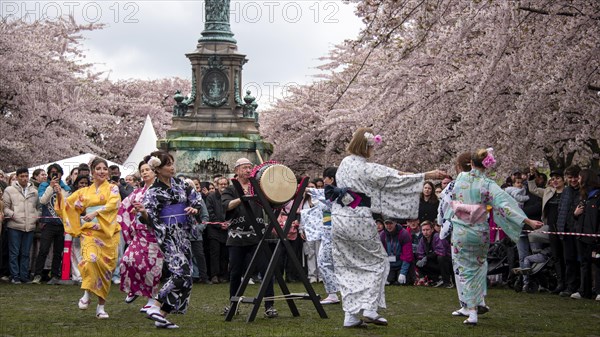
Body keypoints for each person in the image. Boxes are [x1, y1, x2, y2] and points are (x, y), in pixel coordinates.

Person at [330, 127, 445, 328]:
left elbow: (390, 175)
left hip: (339, 218)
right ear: (368, 145)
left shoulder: (344, 163)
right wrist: (427, 174)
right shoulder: (367, 168)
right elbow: (395, 177)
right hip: (358, 219)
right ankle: (369, 309)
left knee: (348, 266)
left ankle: (351, 316)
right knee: (378, 262)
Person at [442, 148, 543, 325]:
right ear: (487, 166)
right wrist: (527, 221)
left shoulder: (459, 179)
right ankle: (478, 302)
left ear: (470, 164)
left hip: (460, 231)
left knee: (464, 269)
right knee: (479, 267)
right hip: (480, 231)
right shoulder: (488, 184)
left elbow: (447, 199)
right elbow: (505, 205)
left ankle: (471, 310)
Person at [141, 151, 203, 329]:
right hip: (168, 236)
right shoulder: (153, 192)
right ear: (158, 169)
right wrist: (144, 213)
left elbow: (195, 198)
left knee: (186, 277)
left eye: (172, 163)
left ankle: (161, 316)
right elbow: (149, 218)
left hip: (183, 233)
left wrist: (194, 208)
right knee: (180, 273)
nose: (172, 167)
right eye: (167, 165)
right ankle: (155, 304)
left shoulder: (181, 184)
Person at [55, 158, 121, 319]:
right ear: (92, 172)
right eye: (98, 168)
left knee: (106, 270)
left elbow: (114, 204)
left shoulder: (113, 188)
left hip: (109, 232)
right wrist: (58, 194)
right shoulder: (84, 192)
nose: (102, 171)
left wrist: (96, 212)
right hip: (90, 232)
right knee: (90, 260)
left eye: (104, 169)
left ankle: (101, 306)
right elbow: (68, 206)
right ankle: (86, 292)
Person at [221, 157, 277, 318]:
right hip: (236, 237)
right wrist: (242, 198)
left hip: (257, 236)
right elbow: (226, 205)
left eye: (249, 167)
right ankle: (234, 304)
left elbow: (272, 201)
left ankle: (269, 305)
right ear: (237, 170)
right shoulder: (231, 189)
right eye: (244, 167)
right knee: (235, 272)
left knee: (266, 270)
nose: (247, 170)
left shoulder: (258, 187)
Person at [117, 159, 163, 313]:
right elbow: (124, 206)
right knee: (128, 260)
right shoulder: (137, 192)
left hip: (155, 234)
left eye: (147, 170)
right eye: (142, 170)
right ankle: (135, 289)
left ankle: (151, 299)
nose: (144, 173)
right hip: (139, 233)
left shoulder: (160, 190)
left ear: (155, 171)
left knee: (152, 268)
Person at [528, 168, 566, 294]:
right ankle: (560, 283)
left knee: (567, 255)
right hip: (551, 227)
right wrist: (532, 178)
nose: (555, 181)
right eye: (553, 178)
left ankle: (570, 283)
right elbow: (533, 189)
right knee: (556, 256)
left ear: (563, 180)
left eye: (558, 178)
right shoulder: (548, 192)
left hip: (565, 228)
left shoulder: (567, 192)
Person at [32, 164, 71, 285]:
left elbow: (66, 204)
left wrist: (60, 191)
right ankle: (38, 274)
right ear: (49, 174)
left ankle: (55, 274)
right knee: (43, 249)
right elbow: (42, 200)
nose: (55, 175)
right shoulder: (44, 186)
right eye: (52, 172)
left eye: (57, 172)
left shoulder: (66, 188)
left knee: (58, 251)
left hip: (60, 224)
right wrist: (50, 187)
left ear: (61, 174)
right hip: (48, 224)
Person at [2, 168, 40, 284]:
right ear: (17, 177)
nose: (24, 178)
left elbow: (38, 207)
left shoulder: (34, 191)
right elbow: (5, 207)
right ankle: (15, 276)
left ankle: (24, 276)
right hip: (14, 225)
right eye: (22, 176)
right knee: (14, 252)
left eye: (26, 176)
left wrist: (36, 216)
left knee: (25, 253)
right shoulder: (9, 190)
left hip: (29, 225)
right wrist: (13, 214)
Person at [571, 169, 600, 300]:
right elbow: (578, 216)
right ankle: (584, 291)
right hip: (581, 235)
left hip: (594, 237)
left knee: (597, 263)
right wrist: (575, 214)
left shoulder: (597, 197)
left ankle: (598, 290)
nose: (578, 180)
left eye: (580, 177)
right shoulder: (583, 196)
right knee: (584, 263)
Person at [557, 165, 581, 297]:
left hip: (579, 230)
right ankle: (570, 286)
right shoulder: (566, 191)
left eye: (575, 177)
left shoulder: (584, 191)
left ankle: (582, 287)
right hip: (565, 230)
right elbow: (561, 208)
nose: (573, 180)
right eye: (570, 177)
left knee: (581, 260)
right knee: (569, 259)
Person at [205, 176, 229, 284]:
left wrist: (228, 223)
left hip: (227, 230)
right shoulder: (211, 197)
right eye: (221, 184)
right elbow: (210, 212)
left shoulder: (230, 197)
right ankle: (214, 275)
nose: (223, 186)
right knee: (215, 254)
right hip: (214, 230)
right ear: (217, 185)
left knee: (224, 254)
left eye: (225, 184)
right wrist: (219, 224)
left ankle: (223, 275)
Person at [415, 220, 452, 287]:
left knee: (440, 258)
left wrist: (426, 257)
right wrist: (421, 259)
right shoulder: (422, 240)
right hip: (434, 262)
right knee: (418, 262)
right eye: (423, 230)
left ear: (432, 229)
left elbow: (441, 251)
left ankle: (447, 281)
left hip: (446, 262)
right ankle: (434, 279)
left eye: (427, 230)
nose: (425, 232)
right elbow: (420, 253)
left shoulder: (437, 236)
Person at [380, 219, 413, 286]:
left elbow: (407, 255)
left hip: (401, 265)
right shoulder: (382, 235)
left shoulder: (404, 234)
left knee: (404, 282)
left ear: (395, 223)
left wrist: (403, 272)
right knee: (388, 281)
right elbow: (380, 254)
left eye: (391, 223)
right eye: (387, 224)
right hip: (389, 266)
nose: (389, 226)